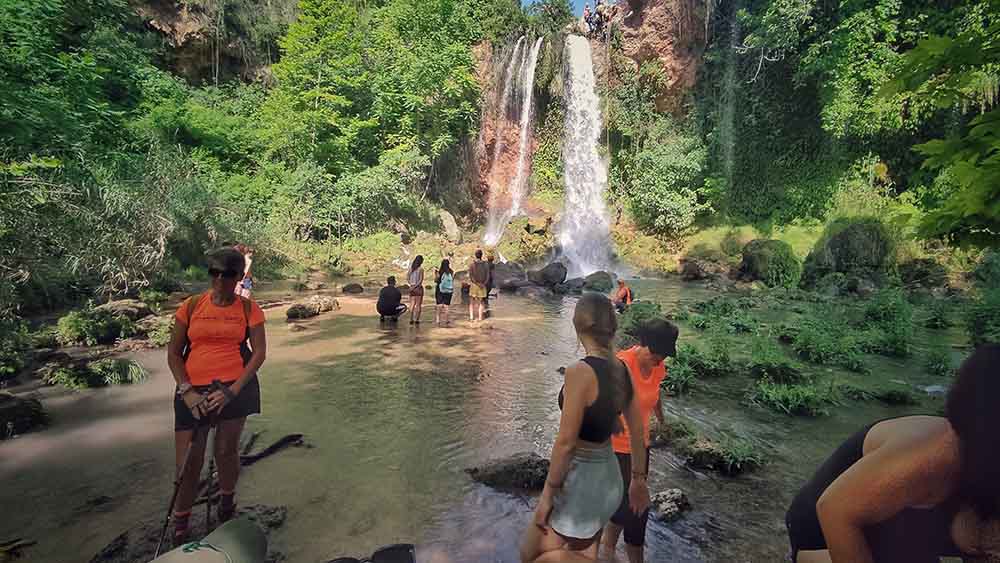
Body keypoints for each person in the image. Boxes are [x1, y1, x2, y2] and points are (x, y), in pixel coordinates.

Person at [786, 344, 1000, 563]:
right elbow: (832, 511)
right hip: (822, 536)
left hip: (899, 532)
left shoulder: (985, 463)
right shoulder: (932, 459)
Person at [520, 293, 650, 563]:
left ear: (577, 325)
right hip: (608, 480)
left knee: (531, 556)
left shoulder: (579, 372)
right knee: (581, 551)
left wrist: (547, 497)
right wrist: (638, 480)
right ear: (611, 328)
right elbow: (638, 431)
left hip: (583, 482)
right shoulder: (621, 369)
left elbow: (566, 443)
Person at [166, 247, 267, 545]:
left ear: (239, 277)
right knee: (187, 462)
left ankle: (226, 504)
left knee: (226, 451)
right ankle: (181, 522)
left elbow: (259, 353)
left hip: (234, 388)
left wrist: (232, 393)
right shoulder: (191, 305)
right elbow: (173, 354)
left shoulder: (249, 309)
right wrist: (186, 392)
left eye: (227, 274)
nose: (219, 280)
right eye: (214, 273)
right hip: (191, 391)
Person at [598, 319, 678, 563]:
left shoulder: (658, 367)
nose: (660, 360)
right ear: (645, 345)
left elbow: (655, 393)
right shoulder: (621, 365)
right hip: (614, 450)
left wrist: (662, 421)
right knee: (636, 510)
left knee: (623, 508)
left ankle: (608, 552)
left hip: (641, 448)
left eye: (664, 356)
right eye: (657, 354)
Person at [469, 249, 489, 322]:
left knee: (472, 302)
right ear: (481, 255)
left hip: (474, 285)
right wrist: (483, 284)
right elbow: (487, 276)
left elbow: (471, 276)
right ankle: (480, 318)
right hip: (483, 285)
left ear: (475, 255)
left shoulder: (472, 264)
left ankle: (471, 317)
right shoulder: (486, 264)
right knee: (481, 302)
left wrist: (477, 283)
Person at [435, 259, 454, 327]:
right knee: (447, 305)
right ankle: (447, 320)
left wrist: (436, 273)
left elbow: (436, 280)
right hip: (449, 290)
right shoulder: (451, 272)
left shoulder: (440, 272)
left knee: (439, 305)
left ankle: (438, 321)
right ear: (448, 264)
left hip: (439, 290)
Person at [407, 255, 425, 324]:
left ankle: (411, 319)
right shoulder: (421, 269)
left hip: (412, 287)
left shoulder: (411, 269)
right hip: (418, 288)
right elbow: (420, 280)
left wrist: (411, 285)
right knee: (418, 305)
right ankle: (417, 320)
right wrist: (415, 286)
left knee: (412, 304)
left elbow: (407, 277)